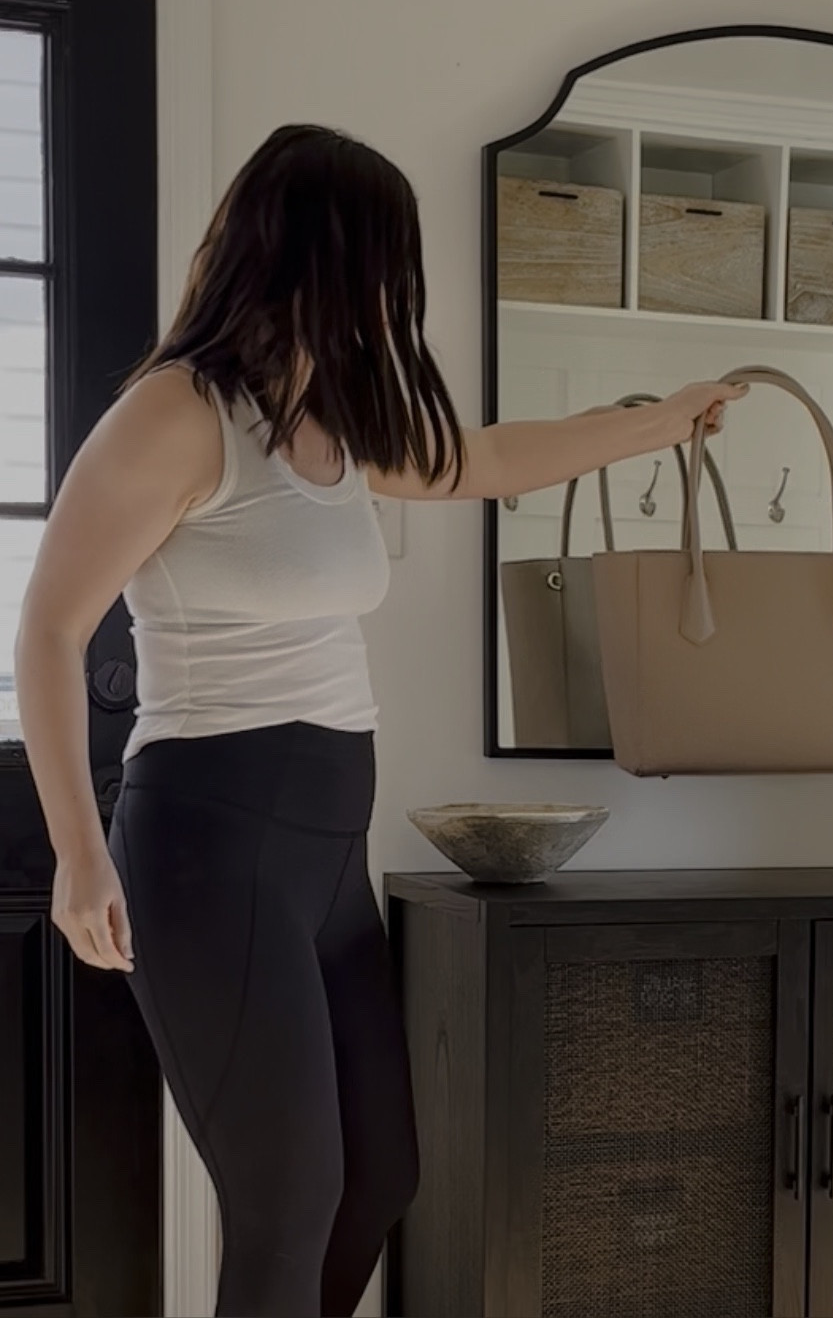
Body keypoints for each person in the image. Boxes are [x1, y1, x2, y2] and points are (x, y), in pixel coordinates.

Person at [14, 123, 746, 1318]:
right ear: (323, 256)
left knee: (377, 1178)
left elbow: (490, 459)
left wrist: (666, 418)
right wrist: (76, 855)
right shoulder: (178, 414)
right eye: (386, 263)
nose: (397, 295)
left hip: (324, 856)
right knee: (287, 1202)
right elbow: (48, 629)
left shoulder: (335, 424)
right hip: (208, 847)